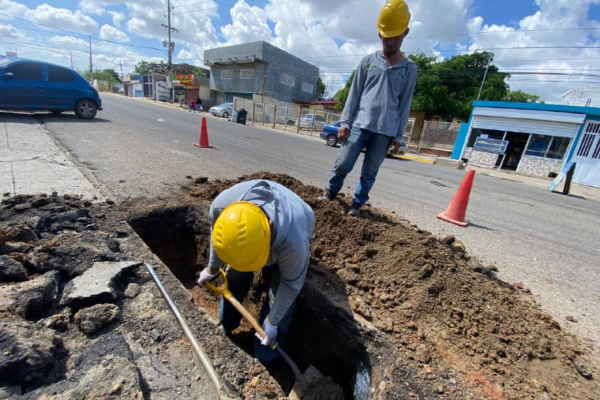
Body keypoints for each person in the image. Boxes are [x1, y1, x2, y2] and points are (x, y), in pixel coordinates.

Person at [197, 179, 315, 365]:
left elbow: (291, 285)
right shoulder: (221, 208)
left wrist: (273, 322)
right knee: (234, 274)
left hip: (297, 221)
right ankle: (226, 324)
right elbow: (217, 240)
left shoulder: (294, 244)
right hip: (255, 235)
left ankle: (265, 359)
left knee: (280, 303)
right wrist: (212, 268)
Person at [318, 0, 417, 217]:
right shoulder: (367, 62)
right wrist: (345, 122)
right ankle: (331, 193)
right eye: (386, 35)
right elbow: (354, 93)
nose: (390, 41)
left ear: (405, 33)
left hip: (385, 130)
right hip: (360, 124)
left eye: (395, 36)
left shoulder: (409, 69)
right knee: (343, 163)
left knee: (370, 171)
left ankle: (357, 204)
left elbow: (405, 103)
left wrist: (399, 135)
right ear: (380, 33)